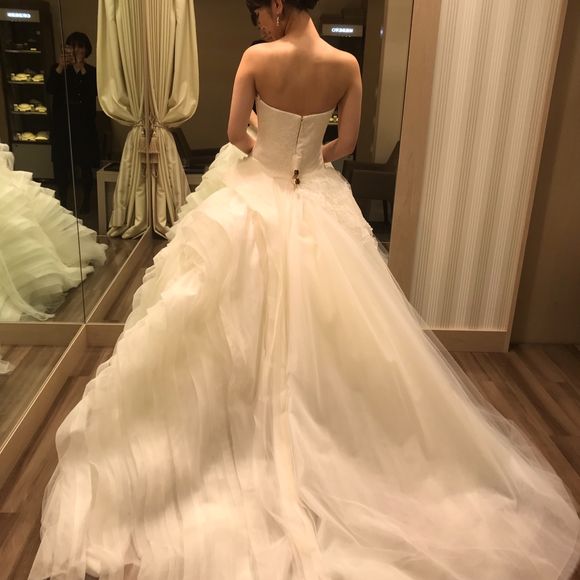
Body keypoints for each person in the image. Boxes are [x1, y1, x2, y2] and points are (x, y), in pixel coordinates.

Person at [30, 1, 580, 579]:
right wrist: (308, 159)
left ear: (276, 5)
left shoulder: (257, 59)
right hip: (317, 196)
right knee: (341, 329)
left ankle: (231, 440)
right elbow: (347, 143)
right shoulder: (346, 65)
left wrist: (269, 152)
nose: (260, 25)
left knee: (222, 319)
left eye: (260, 13)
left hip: (256, 195)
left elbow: (234, 133)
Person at [47, 32, 99, 214]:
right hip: (63, 124)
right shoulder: (58, 69)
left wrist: (82, 69)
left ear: (86, 50)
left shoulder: (91, 71)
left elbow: (94, 92)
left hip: (84, 126)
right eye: (73, 46)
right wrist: (61, 66)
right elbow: (50, 88)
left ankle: (86, 201)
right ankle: (62, 200)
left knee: (85, 165)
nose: (76, 50)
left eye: (80, 46)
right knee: (62, 164)